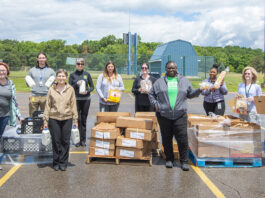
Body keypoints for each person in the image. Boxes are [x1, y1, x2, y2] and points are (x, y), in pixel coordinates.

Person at [149, 61, 201, 170]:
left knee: (182, 139)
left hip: (180, 115)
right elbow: (151, 94)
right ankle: (169, 159)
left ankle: (183, 161)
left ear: (177, 68)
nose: (171, 69)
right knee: (166, 138)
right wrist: (156, 105)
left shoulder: (184, 81)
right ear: (166, 69)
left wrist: (199, 90)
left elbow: (190, 94)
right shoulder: (159, 82)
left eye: (173, 68)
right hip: (164, 115)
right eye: (169, 68)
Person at [43, 69, 78, 171]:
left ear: (66, 77)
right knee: (56, 141)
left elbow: (73, 104)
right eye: (59, 76)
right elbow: (47, 106)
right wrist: (45, 120)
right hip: (54, 118)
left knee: (65, 141)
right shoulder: (51, 89)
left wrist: (75, 119)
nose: (61, 78)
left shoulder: (70, 89)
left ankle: (63, 162)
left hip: (67, 118)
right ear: (56, 77)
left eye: (63, 76)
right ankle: (56, 162)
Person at [0, 62, 23, 170]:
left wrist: (19, 116)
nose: (1, 72)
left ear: (7, 71)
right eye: (0, 70)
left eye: (3, 70)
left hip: (5, 115)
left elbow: (14, 101)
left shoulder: (10, 83)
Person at [69, 58, 94, 147]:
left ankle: (83, 140)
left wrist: (87, 91)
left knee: (83, 120)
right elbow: (69, 87)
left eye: (82, 64)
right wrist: (76, 84)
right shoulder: (72, 75)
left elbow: (92, 87)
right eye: (78, 64)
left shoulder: (87, 74)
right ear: (76, 64)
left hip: (86, 99)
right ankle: (76, 140)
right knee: (77, 119)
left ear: (84, 65)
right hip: (76, 99)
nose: (80, 65)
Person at [27, 52, 55, 117]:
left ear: (46, 59)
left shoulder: (51, 71)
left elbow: (54, 85)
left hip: (46, 96)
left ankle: (45, 127)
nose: (41, 59)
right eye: (40, 58)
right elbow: (28, 84)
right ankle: (34, 127)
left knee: (46, 116)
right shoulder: (32, 70)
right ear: (37, 59)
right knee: (32, 115)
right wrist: (27, 81)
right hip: (34, 96)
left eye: (43, 58)